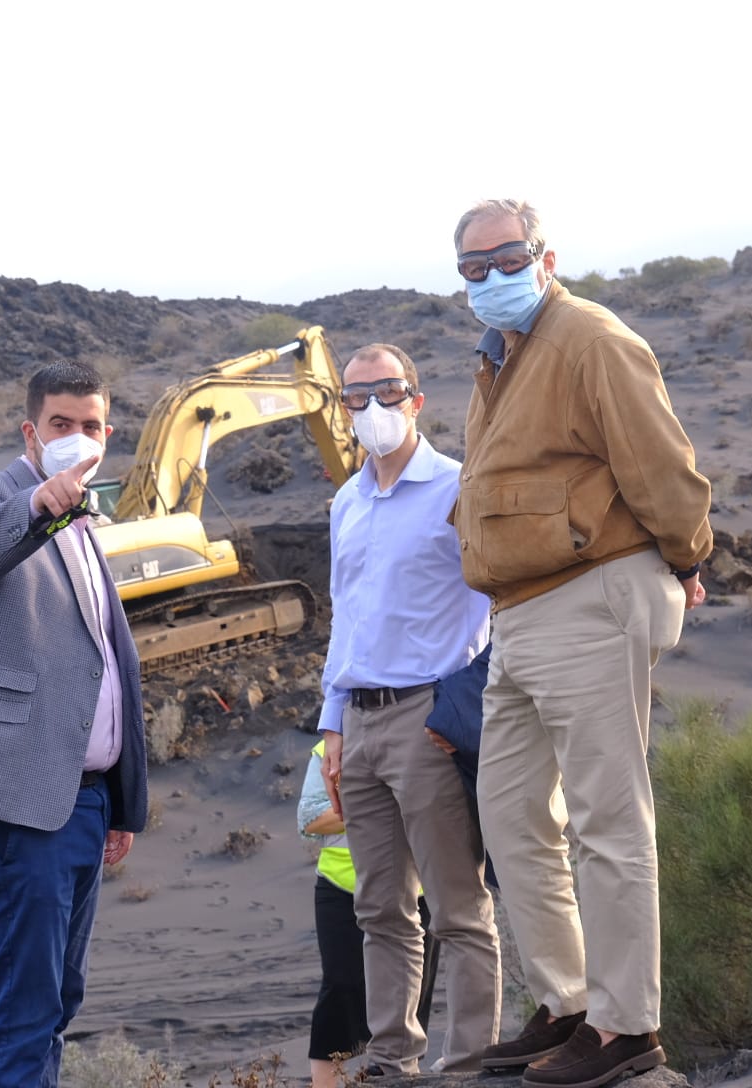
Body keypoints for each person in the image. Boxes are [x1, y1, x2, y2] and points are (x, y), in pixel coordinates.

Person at [451, 200, 712, 1088]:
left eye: (505, 258)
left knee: (607, 817)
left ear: (545, 255)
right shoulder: (500, 359)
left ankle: (627, 1029)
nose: (490, 278)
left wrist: (687, 557)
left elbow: (660, 463)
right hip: (518, 614)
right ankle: (566, 1004)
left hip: (590, 596)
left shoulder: (589, 338)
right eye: (472, 268)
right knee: (513, 815)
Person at [0, 361, 149, 1088]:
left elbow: (103, 660)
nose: (77, 439)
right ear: (30, 431)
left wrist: (121, 800)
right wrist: (42, 501)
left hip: (82, 799)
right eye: (60, 425)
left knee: (56, 1001)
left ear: (108, 434)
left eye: (90, 426)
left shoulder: (88, 524)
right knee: (25, 1009)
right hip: (15, 796)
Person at [318, 343, 501, 1075]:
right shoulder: (345, 501)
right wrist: (332, 725)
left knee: (459, 910)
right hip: (359, 721)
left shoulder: (459, 487)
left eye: (384, 393)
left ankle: (472, 1062)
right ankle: (393, 1057)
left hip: (429, 716)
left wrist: (463, 703)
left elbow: (499, 599)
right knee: (380, 909)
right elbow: (345, 618)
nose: (370, 410)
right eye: (354, 397)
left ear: (416, 400)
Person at [297, 738, 438, 1088]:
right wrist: (376, 806)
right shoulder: (326, 750)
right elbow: (311, 819)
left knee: (412, 995)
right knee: (341, 988)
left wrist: (361, 805)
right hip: (342, 888)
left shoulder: (419, 738)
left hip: (415, 887)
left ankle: (402, 1076)